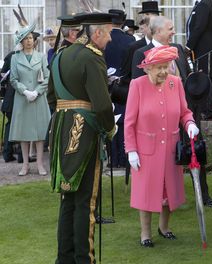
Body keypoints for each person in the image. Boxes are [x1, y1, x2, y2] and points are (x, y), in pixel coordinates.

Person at [48, 12, 117, 263]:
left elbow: (51, 98)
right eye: (108, 33)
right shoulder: (92, 57)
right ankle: (83, 259)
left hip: (60, 130)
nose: (110, 39)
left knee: (68, 199)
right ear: (96, 33)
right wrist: (110, 129)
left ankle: (63, 259)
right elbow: (102, 105)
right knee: (86, 202)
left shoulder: (60, 56)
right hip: (84, 131)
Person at [131, 15, 212, 207]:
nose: (173, 32)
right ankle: (159, 198)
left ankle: (203, 194)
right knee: (164, 162)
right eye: (170, 28)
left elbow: (184, 78)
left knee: (196, 152)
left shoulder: (177, 49)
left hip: (185, 112)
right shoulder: (141, 53)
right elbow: (138, 89)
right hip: (156, 120)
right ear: (158, 31)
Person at [124, 45, 199, 247]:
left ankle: (164, 228)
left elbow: (185, 112)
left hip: (171, 149)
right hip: (145, 151)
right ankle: (145, 234)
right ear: (148, 68)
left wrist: (190, 123)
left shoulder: (175, 83)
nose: (164, 72)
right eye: (159, 68)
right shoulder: (137, 85)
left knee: (168, 192)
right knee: (147, 193)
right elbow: (129, 122)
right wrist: (131, 150)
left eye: (166, 67)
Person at [9, 23, 50, 176]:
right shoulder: (15, 58)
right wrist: (25, 91)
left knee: (39, 133)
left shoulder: (41, 57)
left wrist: (37, 92)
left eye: (31, 38)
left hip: (38, 99)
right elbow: (13, 79)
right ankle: (25, 164)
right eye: (25, 38)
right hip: (23, 99)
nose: (28, 41)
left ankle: (40, 164)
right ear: (22, 41)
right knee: (24, 133)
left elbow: (47, 77)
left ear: (34, 40)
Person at [105, 9, 135, 170]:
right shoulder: (129, 40)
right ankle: (124, 157)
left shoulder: (104, 39)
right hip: (124, 84)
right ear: (122, 22)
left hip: (106, 83)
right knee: (124, 119)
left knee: (110, 117)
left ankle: (112, 158)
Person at [186, 0, 212, 119]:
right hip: (202, 48)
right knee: (203, 77)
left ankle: (208, 111)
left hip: (205, 48)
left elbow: (199, 27)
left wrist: (188, 46)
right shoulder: (203, 4)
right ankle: (205, 109)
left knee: (205, 77)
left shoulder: (205, 4)